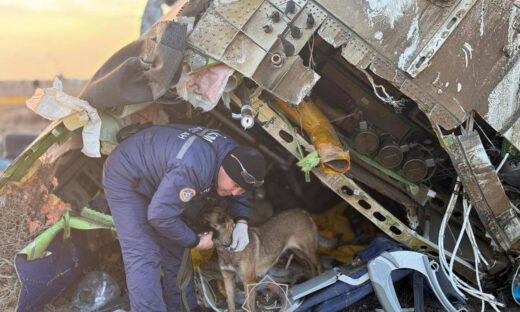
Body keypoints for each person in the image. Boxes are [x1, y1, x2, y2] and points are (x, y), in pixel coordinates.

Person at [103, 124, 266, 311]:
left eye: (242, 189)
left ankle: (184, 308)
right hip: (126, 173)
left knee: (175, 245)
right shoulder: (194, 168)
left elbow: (240, 185)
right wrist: (195, 241)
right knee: (143, 253)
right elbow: (159, 216)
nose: (235, 192)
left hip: (161, 171)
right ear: (226, 168)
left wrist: (242, 221)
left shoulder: (235, 154)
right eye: (235, 185)